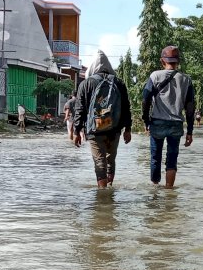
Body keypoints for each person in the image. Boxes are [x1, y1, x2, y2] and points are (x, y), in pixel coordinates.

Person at [73, 50, 132, 188]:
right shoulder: (119, 83)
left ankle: (103, 194)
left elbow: (80, 110)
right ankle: (109, 188)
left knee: (100, 162)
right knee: (110, 160)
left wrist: (76, 131)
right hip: (115, 128)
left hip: (95, 130)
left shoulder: (86, 84)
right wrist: (128, 129)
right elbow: (126, 108)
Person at [142, 45, 196, 188]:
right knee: (172, 159)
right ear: (178, 61)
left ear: (162, 61)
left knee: (155, 157)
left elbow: (145, 100)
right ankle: (169, 191)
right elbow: (190, 108)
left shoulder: (155, 76)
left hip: (157, 122)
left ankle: (154, 188)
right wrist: (190, 131)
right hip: (176, 124)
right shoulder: (186, 79)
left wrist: (146, 121)